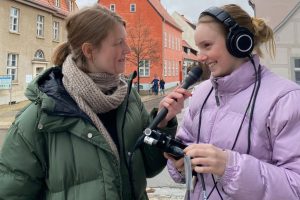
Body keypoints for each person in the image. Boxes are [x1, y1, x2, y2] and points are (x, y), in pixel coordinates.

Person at [0, 5, 191, 200]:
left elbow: (148, 168)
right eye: (119, 42)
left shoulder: (129, 99)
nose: (128, 49)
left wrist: (161, 123)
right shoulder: (40, 118)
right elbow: (12, 194)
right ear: (90, 50)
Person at [166, 4, 300, 200]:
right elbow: (186, 157)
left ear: (238, 42)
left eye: (207, 45)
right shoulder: (201, 94)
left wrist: (229, 166)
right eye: (198, 48)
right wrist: (180, 162)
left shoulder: (286, 99)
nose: (201, 57)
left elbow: (295, 187)